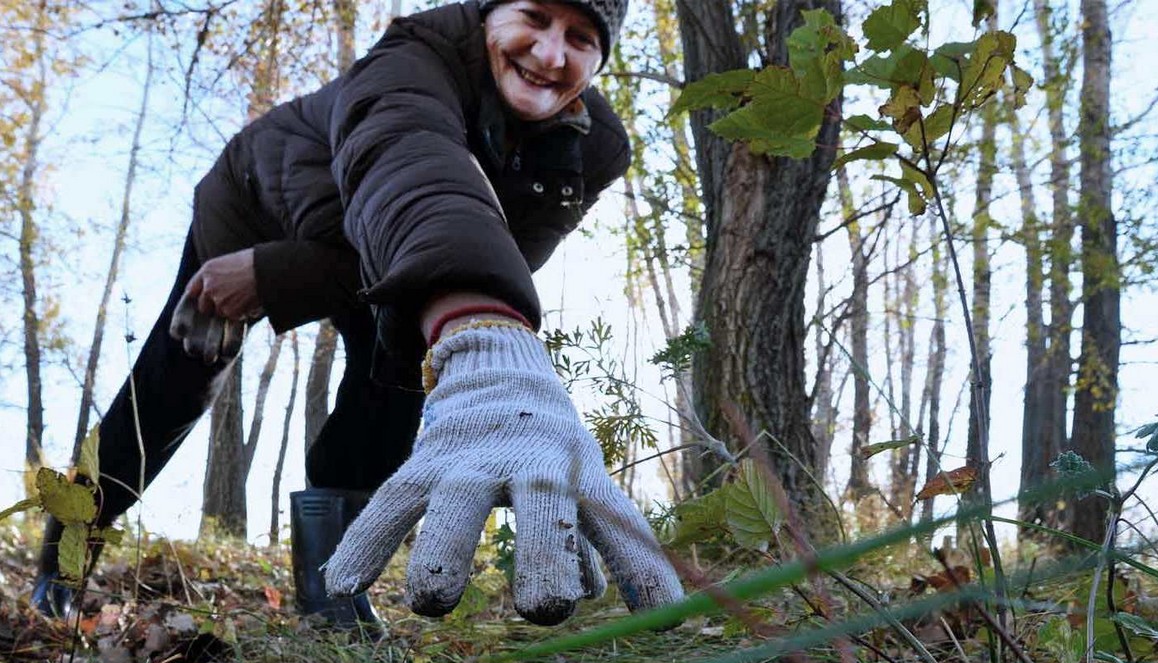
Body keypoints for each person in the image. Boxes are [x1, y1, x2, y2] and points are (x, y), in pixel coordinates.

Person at [31, 0, 684, 629]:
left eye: (580, 38)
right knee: (171, 391)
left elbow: (508, 252)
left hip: (392, 243)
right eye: (534, 18)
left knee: (398, 372)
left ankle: (330, 590)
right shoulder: (412, 59)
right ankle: (64, 554)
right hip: (263, 205)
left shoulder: (596, 147)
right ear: (490, 12)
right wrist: (267, 269)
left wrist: (476, 329)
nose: (549, 53)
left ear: (601, 58)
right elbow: (406, 162)